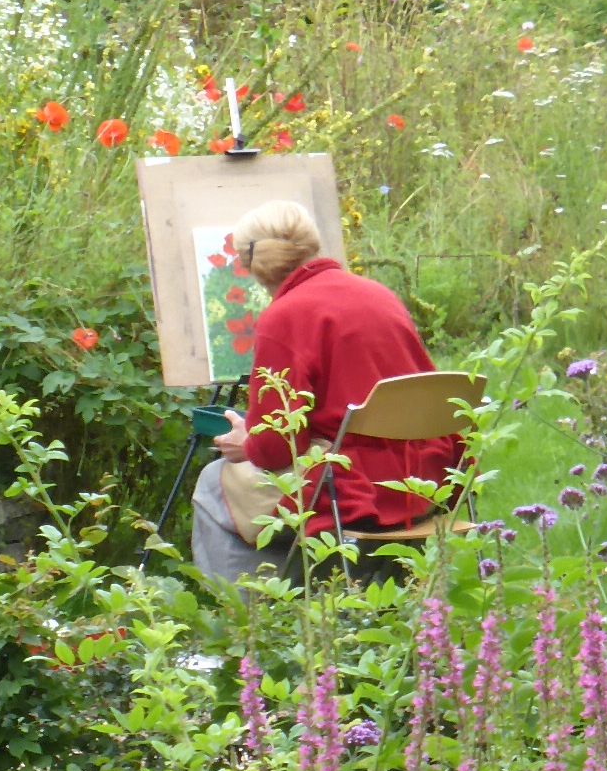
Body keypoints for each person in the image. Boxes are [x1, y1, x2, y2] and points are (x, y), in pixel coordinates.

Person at [191, 199, 462, 586]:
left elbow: (275, 450)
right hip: (422, 481)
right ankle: (316, 591)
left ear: (251, 265)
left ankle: (249, 624)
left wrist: (245, 443)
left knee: (216, 482)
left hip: (348, 490)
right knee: (258, 490)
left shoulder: (285, 317)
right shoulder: (378, 295)